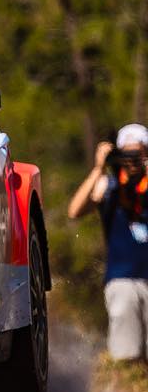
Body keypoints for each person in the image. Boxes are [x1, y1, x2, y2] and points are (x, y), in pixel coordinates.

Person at [69, 124, 148, 361]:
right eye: (127, 153)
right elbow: (74, 210)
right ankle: (127, 382)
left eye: (138, 153)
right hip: (121, 278)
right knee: (127, 353)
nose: (132, 160)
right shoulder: (109, 186)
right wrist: (98, 169)